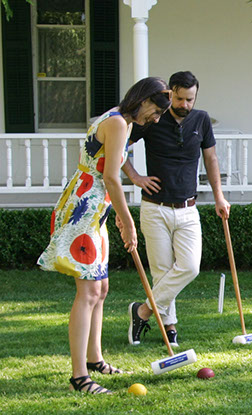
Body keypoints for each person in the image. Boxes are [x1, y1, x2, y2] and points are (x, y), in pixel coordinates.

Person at [38, 77, 171, 394]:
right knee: (87, 292)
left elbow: (115, 161)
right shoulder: (117, 124)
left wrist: (133, 179)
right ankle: (79, 377)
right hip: (85, 207)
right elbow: (110, 176)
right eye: (155, 111)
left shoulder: (119, 120)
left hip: (95, 208)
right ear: (142, 100)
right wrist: (127, 221)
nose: (155, 118)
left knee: (101, 288)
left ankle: (95, 359)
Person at [122, 71, 230, 348]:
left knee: (189, 267)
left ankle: (142, 311)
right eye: (180, 99)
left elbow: (211, 159)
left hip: (188, 208)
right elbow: (119, 147)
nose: (185, 105)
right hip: (154, 207)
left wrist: (219, 197)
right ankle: (169, 327)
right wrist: (135, 177)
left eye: (190, 99)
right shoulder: (153, 117)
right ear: (170, 93)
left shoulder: (201, 119)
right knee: (161, 271)